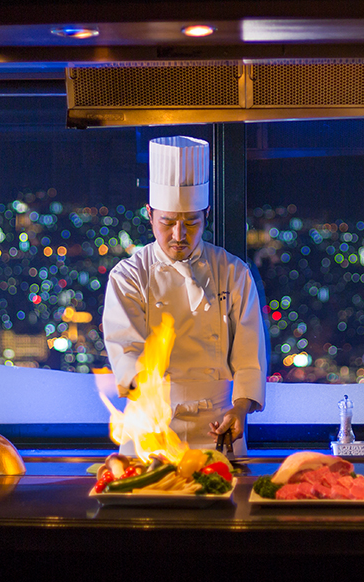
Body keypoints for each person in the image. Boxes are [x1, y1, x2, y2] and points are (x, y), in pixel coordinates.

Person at [103, 135, 266, 454]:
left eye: (191, 223)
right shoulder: (129, 275)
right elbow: (126, 353)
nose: (179, 235)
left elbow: (250, 357)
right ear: (149, 214)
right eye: (167, 222)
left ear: (206, 214)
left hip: (220, 427)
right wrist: (152, 400)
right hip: (151, 428)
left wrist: (240, 409)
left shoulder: (233, 272)